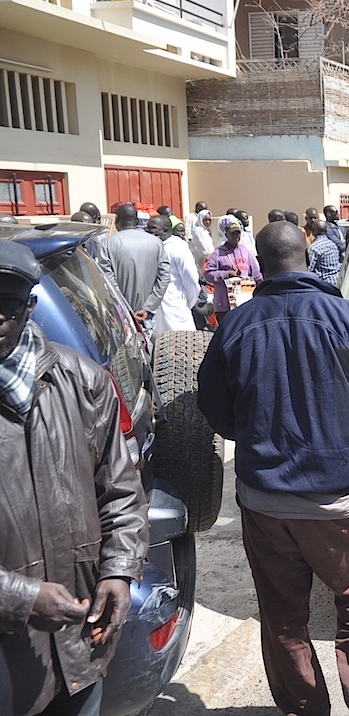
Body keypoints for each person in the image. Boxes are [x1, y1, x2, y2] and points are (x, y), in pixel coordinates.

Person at [197, 222, 349, 716]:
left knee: (284, 617)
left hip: (265, 501)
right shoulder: (347, 316)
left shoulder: (235, 325)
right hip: (340, 499)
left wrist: (254, 437)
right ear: (308, 258)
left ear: (260, 265)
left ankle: (304, 708)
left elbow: (214, 407)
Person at [0, 240, 148, 716]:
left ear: (30, 306)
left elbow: (121, 490)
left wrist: (120, 571)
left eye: (5, 305)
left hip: (80, 647)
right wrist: (20, 599)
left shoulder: (82, 378)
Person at [96, 202, 171, 328]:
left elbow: (108, 281)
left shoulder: (106, 244)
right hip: (149, 317)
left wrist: (125, 310)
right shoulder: (156, 243)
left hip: (121, 319)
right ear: (137, 221)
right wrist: (148, 307)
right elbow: (164, 277)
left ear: (116, 220)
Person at [146, 215, 200, 337]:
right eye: (147, 227)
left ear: (165, 230)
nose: (148, 231)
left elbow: (191, 280)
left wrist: (187, 302)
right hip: (155, 308)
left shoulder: (177, 247)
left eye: (153, 228)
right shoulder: (149, 245)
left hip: (176, 306)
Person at [204, 216, 262, 325]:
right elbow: (208, 274)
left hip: (244, 302)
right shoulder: (217, 254)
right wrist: (227, 274)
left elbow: (256, 274)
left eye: (238, 233)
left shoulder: (245, 250)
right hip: (225, 306)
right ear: (226, 235)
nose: (236, 236)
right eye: (233, 233)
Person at [307, 219, 342, 287]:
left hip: (324, 284)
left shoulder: (314, 248)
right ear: (326, 231)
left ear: (313, 230)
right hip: (337, 281)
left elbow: (309, 269)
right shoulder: (333, 245)